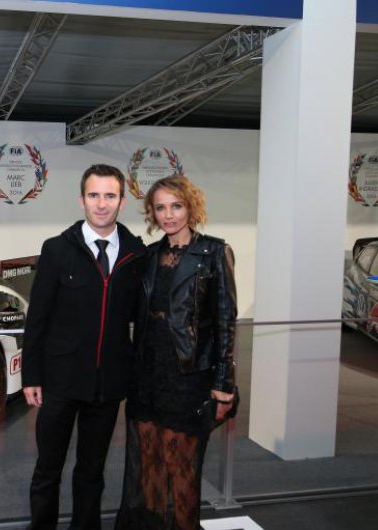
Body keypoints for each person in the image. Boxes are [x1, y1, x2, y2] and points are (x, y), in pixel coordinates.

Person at [22, 164, 147, 530]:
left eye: (110, 195)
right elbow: (38, 318)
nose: (101, 204)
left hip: (107, 386)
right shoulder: (57, 249)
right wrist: (32, 375)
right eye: (94, 195)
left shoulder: (136, 254)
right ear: (82, 200)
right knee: (48, 470)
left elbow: (142, 320)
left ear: (122, 201)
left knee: (92, 472)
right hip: (60, 382)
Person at [115, 174, 237, 530]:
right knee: (148, 462)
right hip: (147, 372)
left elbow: (226, 321)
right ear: (152, 213)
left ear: (191, 208)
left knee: (181, 463)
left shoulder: (214, 252)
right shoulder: (149, 255)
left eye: (176, 206)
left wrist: (224, 383)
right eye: (160, 208)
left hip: (188, 375)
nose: (168, 215)